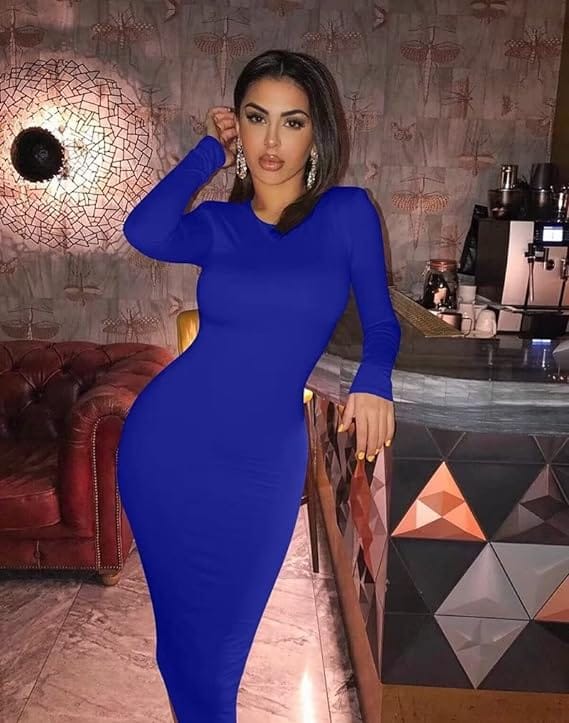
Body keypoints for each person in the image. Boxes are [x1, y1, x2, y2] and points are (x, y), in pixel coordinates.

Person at [117, 49, 401, 723]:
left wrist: (374, 379)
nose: (272, 140)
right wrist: (207, 154)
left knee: (219, 654)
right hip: (168, 447)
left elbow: (381, 321)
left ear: (317, 132)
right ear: (237, 127)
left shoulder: (347, 213)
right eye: (255, 118)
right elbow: (143, 229)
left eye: (292, 121)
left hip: (260, 462)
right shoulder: (218, 224)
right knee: (180, 650)